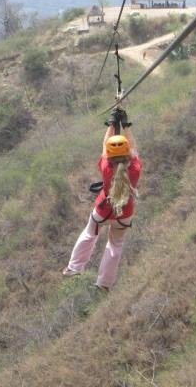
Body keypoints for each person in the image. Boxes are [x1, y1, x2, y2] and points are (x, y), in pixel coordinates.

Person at [62, 108, 142, 292]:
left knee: (90, 233)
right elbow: (133, 148)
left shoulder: (106, 167)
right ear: (127, 153)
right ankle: (104, 283)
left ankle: (74, 267)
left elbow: (105, 144)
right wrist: (125, 126)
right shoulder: (135, 169)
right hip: (125, 212)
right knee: (115, 245)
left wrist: (112, 124)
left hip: (103, 209)